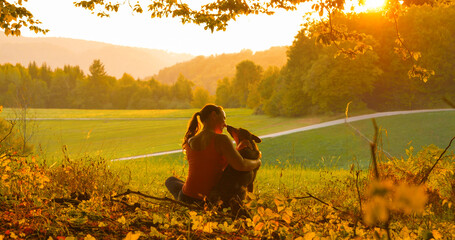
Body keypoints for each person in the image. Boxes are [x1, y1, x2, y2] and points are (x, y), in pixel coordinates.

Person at [165, 104, 262, 205]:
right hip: (208, 201)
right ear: (213, 115)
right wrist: (257, 162)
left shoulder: (190, 140)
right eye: (224, 119)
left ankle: (182, 196)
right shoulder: (221, 139)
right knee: (173, 181)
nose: (225, 124)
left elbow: (208, 160)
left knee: (170, 180)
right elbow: (241, 165)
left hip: (186, 197)